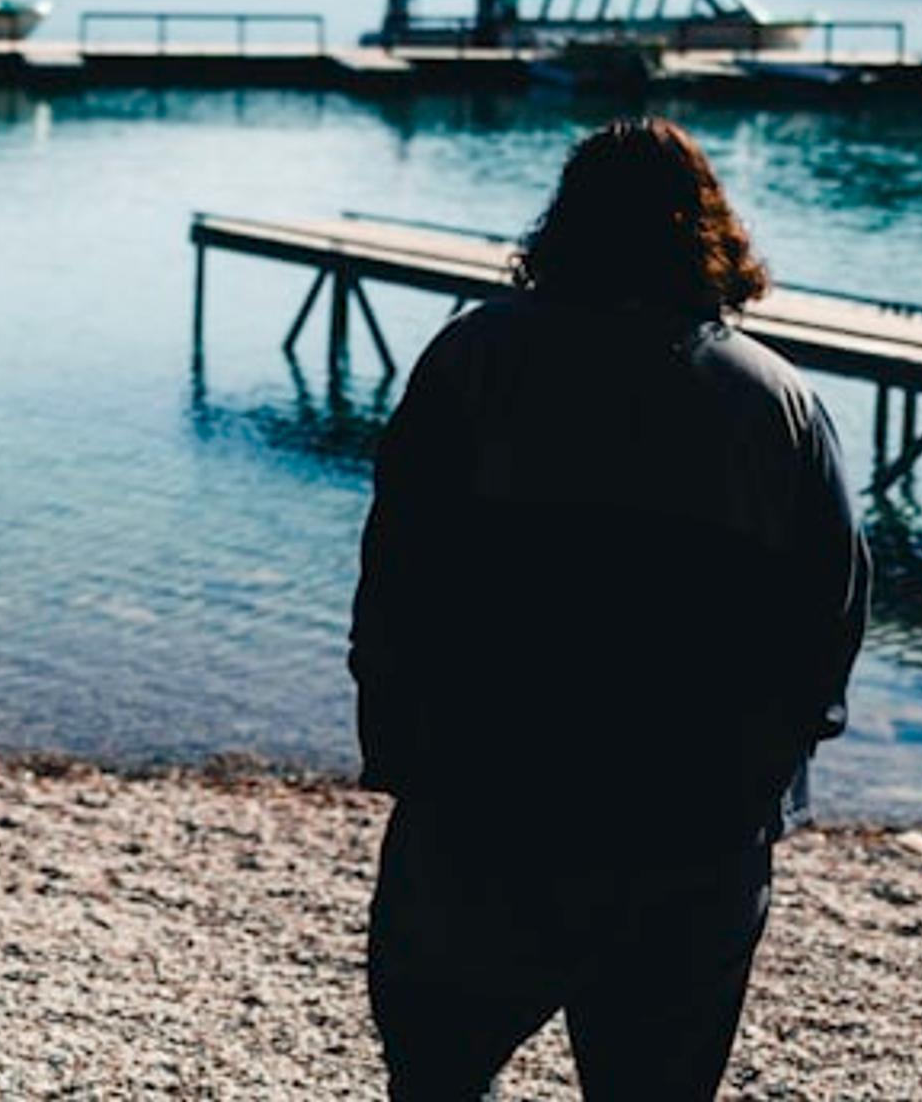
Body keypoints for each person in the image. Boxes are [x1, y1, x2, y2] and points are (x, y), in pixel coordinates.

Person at [348, 117, 867, 1101]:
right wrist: (760, 788)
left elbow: (400, 576)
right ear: (712, 233)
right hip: (691, 826)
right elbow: (826, 622)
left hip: (483, 802)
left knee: (437, 1070)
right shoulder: (778, 405)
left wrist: (400, 746)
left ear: (564, 225)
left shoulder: (473, 363)